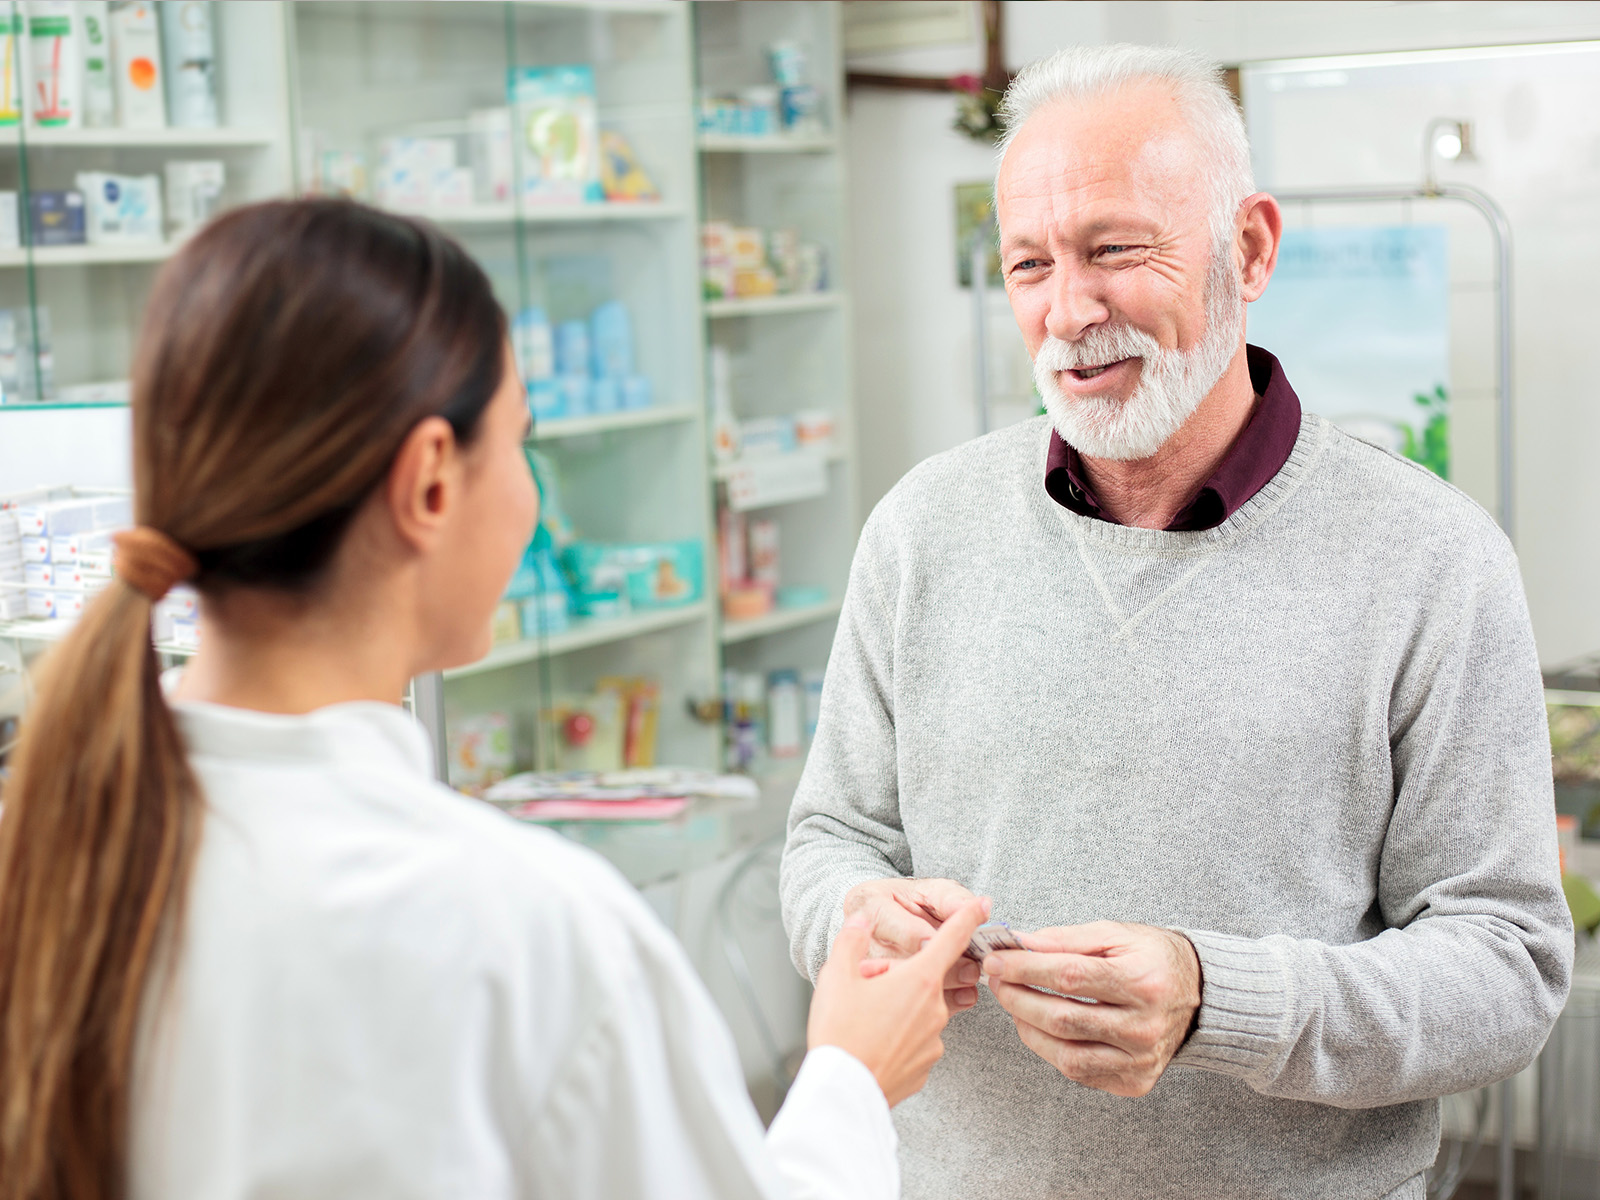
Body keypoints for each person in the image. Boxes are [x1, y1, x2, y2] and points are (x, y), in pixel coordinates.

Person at [0, 199, 992, 1200]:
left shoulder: (51, 845)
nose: (528, 495)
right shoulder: (517, 927)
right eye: (521, 441)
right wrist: (851, 1080)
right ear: (430, 481)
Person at [780, 43, 1573, 1199]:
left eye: (1113, 250)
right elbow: (827, 843)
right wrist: (860, 918)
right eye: (1029, 264)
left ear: (1246, 249)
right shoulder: (922, 529)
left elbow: (1508, 971)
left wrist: (1217, 997)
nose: (1068, 309)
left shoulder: (1432, 561)